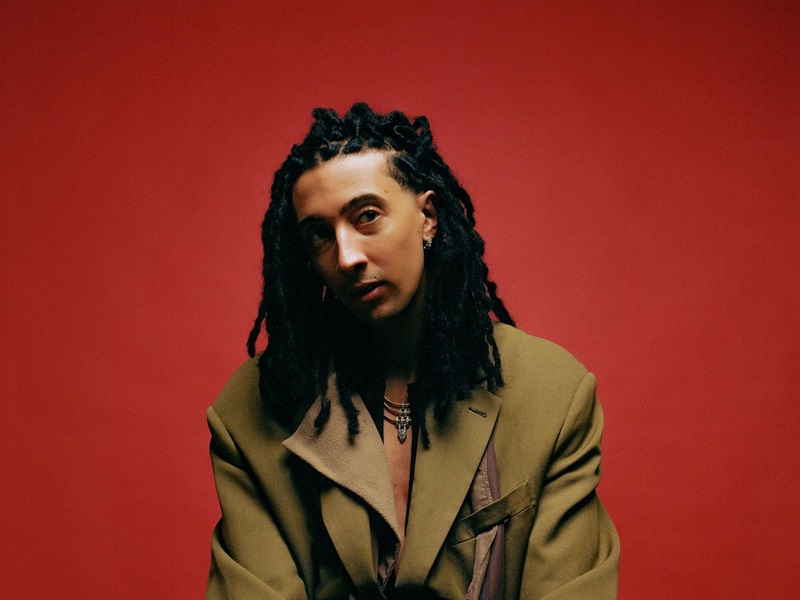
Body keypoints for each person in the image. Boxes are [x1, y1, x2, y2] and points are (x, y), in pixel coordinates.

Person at [205, 103, 620, 599]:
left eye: (367, 217)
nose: (346, 257)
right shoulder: (251, 409)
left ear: (427, 218)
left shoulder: (552, 392)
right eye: (319, 234)